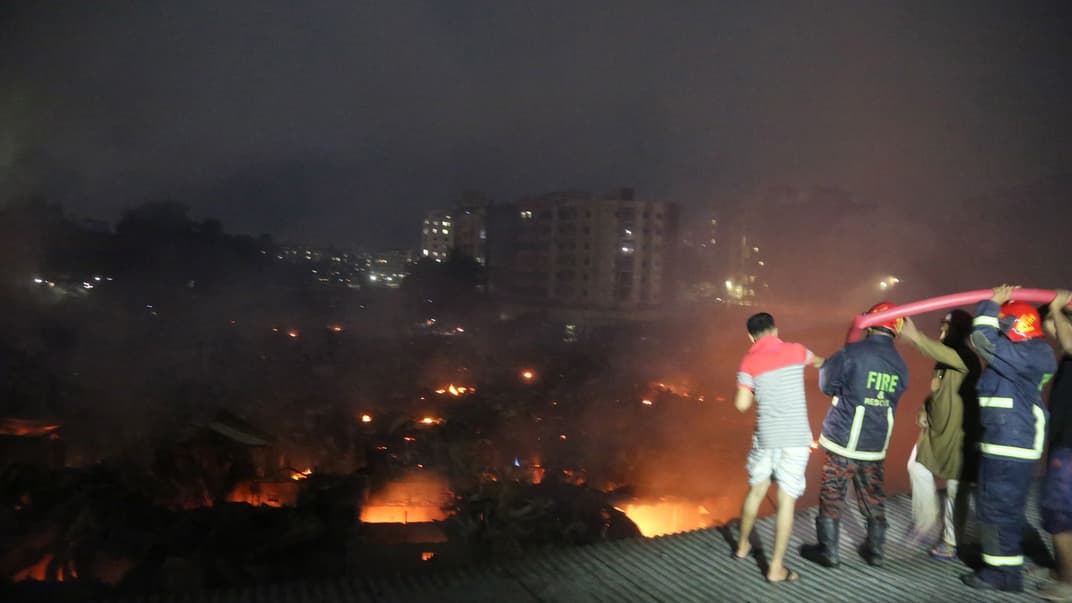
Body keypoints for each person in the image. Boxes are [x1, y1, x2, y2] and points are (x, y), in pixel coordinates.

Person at [961, 285, 1058, 592]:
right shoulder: (1026, 354)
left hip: (1010, 446)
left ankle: (1002, 573)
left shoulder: (1028, 353)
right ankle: (1003, 561)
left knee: (997, 508)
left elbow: (981, 339)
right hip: (1008, 443)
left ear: (1015, 327)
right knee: (1000, 507)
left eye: (1003, 327)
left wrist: (991, 305)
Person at [800, 301, 909, 569]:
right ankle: (875, 550)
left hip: (843, 440)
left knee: (832, 492)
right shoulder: (901, 365)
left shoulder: (852, 353)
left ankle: (829, 551)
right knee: (872, 494)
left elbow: (827, 385)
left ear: (869, 323)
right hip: (875, 442)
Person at [732, 312, 824, 583]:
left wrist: (753, 390)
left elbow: (741, 405)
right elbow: (821, 362)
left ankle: (742, 546)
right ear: (775, 329)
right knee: (786, 501)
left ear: (750, 336)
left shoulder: (749, 361)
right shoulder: (796, 351)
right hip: (795, 438)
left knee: (757, 489)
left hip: (766, 436)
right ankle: (775, 569)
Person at [900, 311, 981, 561]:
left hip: (959, 436)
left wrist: (916, 337)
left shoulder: (966, 357)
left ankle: (950, 540)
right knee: (916, 466)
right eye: (941, 325)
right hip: (935, 433)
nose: (942, 330)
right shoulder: (943, 362)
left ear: (960, 330)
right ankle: (926, 521)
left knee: (957, 489)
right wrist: (925, 409)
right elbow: (938, 392)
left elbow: (940, 352)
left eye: (947, 326)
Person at [1037, 290, 1072, 602]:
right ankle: (1061, 569)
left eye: (1048, 323)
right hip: (1065, 443)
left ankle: (1068, 582)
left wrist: (1057, 309)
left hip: (1070, 447)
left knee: (1059, 511)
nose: (1047, 330)